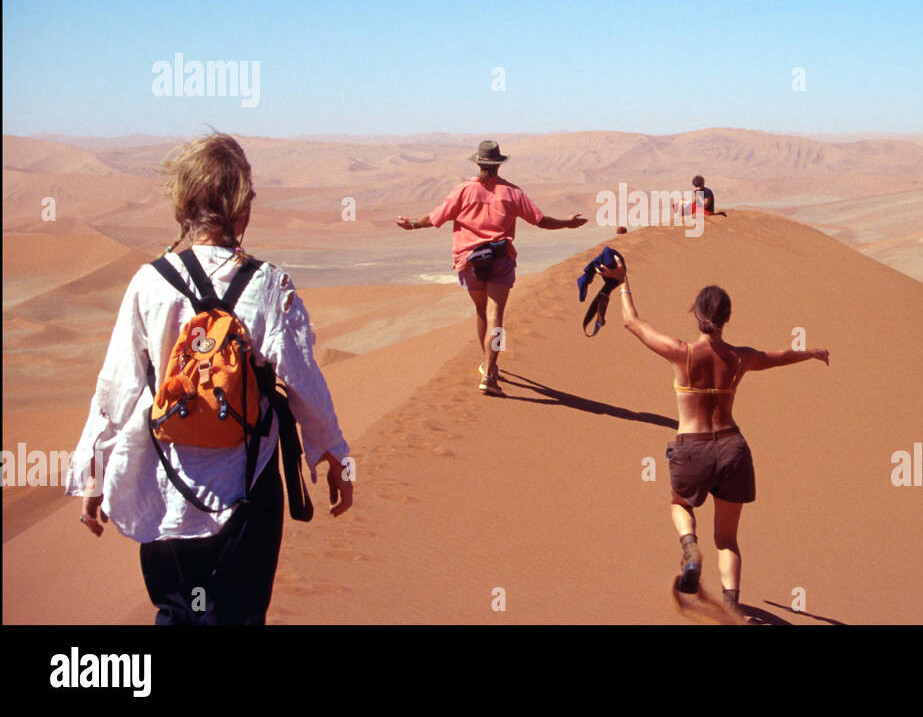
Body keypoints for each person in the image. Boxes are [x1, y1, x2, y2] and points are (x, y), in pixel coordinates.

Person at [66, 132, 354, 625]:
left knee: (177, 613)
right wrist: (333, 454)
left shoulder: (149, 282)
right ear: (241, 209)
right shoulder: (268, 284)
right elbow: (304, 382)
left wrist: (93, 473)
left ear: (184, 206)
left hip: (162, 486)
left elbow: (117, 389)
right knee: (240, 616)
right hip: (248, 486)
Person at [596, 256, 828, 620]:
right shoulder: (740, 358)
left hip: (693, 449)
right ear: (727, 318)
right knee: (728, 540)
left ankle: (690, 550)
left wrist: (623, 281)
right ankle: (732, 610)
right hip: (734, 450)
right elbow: (777, 356)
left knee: (680, 505)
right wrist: (811, 353)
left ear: (696, 314)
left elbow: (632, 323)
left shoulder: (682, 353)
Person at [396, 140, 587, 396]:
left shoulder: (462, 190)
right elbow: (540, 221)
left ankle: (488, 364)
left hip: (469, 261)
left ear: (478, 162)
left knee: (480, 310)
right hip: (500, 259)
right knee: (496, 315)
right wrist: (567, 223)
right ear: (498, 165)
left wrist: (413, 225)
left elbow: (435, 217)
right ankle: (489, 370)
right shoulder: (512, 192)